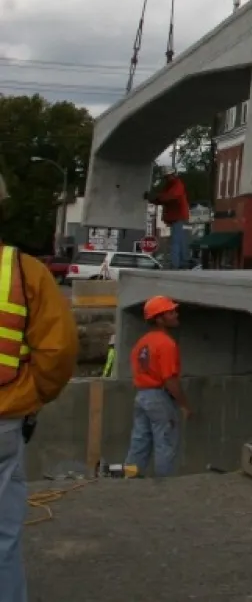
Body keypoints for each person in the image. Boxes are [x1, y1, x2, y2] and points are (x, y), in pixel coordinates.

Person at [0, 172, 79, 600]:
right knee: (2, 539)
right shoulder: (23, 271)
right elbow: (59, 351)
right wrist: (34, 395)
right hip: (5, 418)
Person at [126, 296, 190, 477]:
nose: (176, 314)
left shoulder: (141, 343)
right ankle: (165, 487)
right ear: (159, 318)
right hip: (159, 398)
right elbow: (169, 379)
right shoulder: (166, 344)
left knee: (139, 442)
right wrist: (184, 405)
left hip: (142, 397)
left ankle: (128, 480)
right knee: (166, 443)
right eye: (171, 312)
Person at [147, 171, 190, 270]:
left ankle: (177, 264)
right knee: (178, 240)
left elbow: (169, 196)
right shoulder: (171, 186)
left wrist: (155, 197)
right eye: (166, 177)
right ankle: (180, 263)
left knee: (176, 241)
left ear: (172, 175)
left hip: (179, 217)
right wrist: (153, 199)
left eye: (167, 177)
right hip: (176, 217)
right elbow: (163, 198)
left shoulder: (177, 185)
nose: (166, 179)